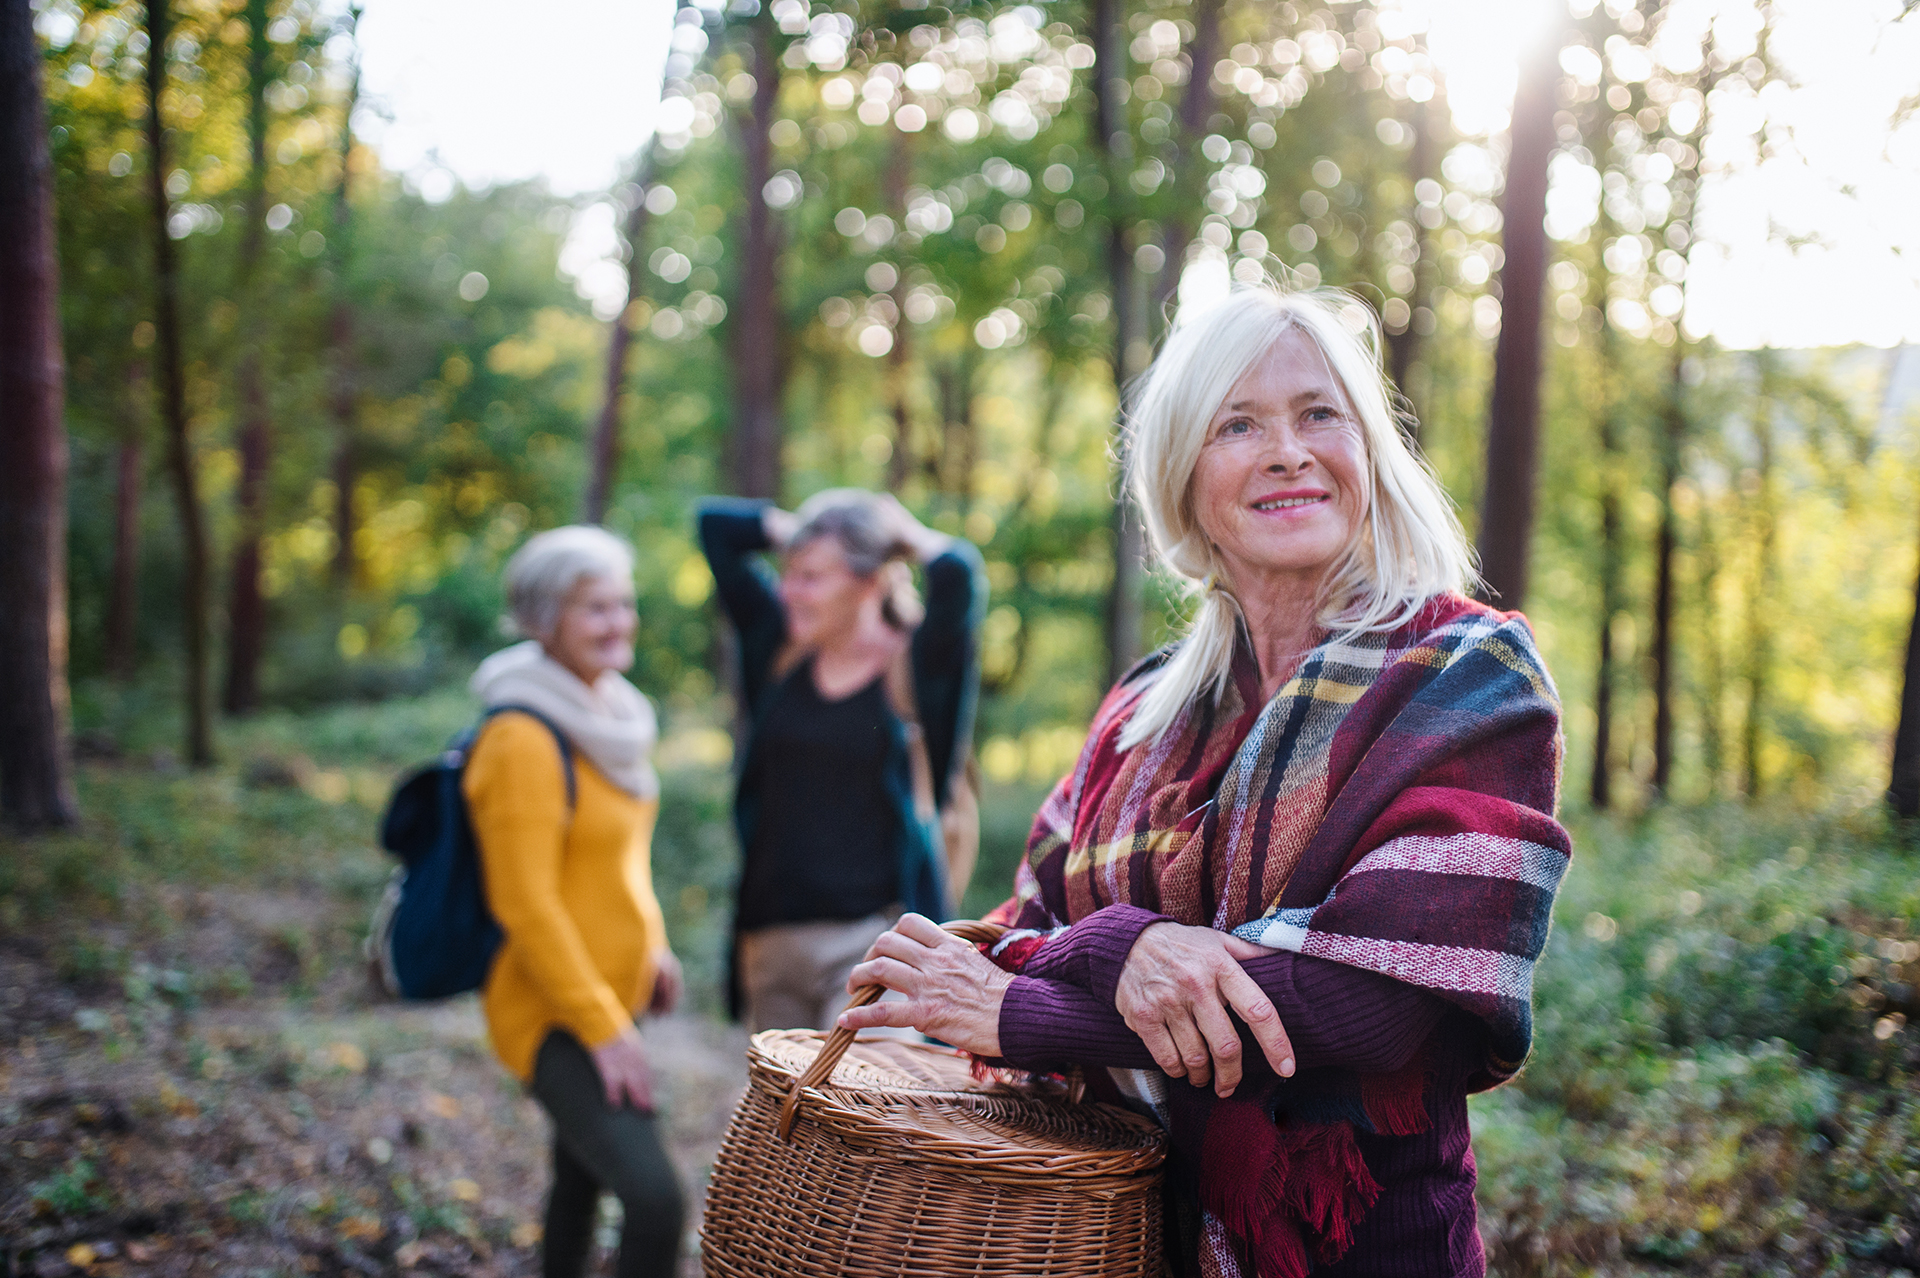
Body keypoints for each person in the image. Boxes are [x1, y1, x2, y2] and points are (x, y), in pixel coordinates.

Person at [838, 284, 1571, 1278]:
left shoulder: (1467, 673)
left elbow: (1382, 1001)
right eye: (1239, 423)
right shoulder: (1140, 713)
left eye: (1320, 413)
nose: (1286, 450)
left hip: (1361, 1249)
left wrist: (1043, 1000)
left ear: (1369, 453)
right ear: (1184, 481)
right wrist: (1105, 955)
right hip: (1123, 1242)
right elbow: (1020, 929)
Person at [465, 526, 686, 1278]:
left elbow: (615, 859)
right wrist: (603, 1030)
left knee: (579, 1180)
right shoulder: (522, 737)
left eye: (624, 604)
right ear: (542, 618)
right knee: (656, 1202)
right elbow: (524, 904)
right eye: (595, 608)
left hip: (609, 1001)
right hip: (555, 1012)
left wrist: (652, 946)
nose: (618, 623)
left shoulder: (612, 717)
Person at [698, 489, 984, 1033]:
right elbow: (715, 528)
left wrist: (902, 535)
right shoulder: (778, 651)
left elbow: (958, 574)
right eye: (789, 573)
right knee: (784, 1117)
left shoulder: (917, 672)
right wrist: (806, 530)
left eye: (811, 577)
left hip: (873, 946)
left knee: (857, 1107)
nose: (789, 591)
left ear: (870, 581)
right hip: (770, 942)